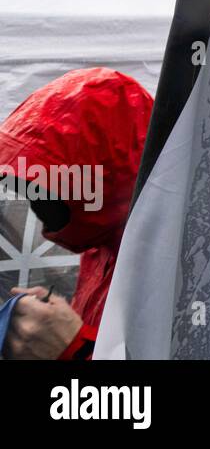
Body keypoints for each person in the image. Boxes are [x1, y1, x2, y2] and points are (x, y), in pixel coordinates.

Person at [0, 68, 152, 359]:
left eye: (43, 189)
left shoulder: (180, 260)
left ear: (102, 177)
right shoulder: (100, 248)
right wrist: (60, 323)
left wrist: (76, 348)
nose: (35, 205)